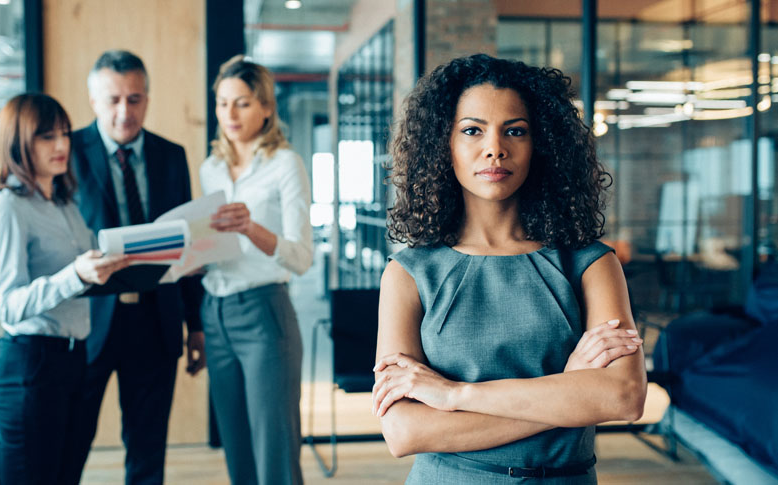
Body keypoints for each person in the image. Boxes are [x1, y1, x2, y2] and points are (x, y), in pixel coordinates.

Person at [372, 53, 648, 484]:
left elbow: (624, 397)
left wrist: (454, 395)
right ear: (442, 144)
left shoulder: (591, 263)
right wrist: (569, 389)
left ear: (541, 144)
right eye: (472, 130)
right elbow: (405, 431)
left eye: (515, 131)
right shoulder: (409, 274)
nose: (495, 148)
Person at [64, 50, 206, 485]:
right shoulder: (66, 152)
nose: (124, 112)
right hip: (89, 323)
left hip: (155, 319)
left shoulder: (171, 156)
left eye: (135, 98)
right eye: (113, 100)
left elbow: (186, 247)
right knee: (70, 443)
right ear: (93, 100)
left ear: (147, 99)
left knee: (147, 451)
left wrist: (194, 325)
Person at [0, 93, 130, 485]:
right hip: (30, 367)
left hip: (72, 361)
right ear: (19, 142)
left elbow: (80, 272)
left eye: (64, 134)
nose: (62, 145)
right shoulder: (7, 208)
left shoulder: (62, 202)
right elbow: (8, 305)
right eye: (47, 137)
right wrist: (76, 275)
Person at [199, 55, 312, 485]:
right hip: (215, 312)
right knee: (238, 452)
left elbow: (302, 257)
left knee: (275, 453)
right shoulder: (209, 169)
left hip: (264, 312)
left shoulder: (286, 164)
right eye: (222, 103)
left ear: (266, 107)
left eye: (242, 103)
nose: (229, 114)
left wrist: (250, 227)